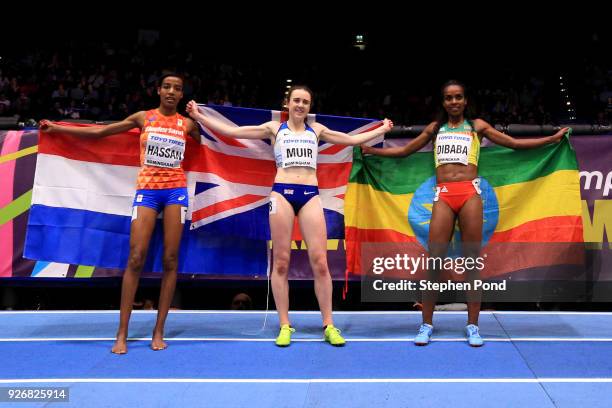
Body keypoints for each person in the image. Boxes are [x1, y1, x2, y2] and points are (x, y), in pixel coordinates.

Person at [362, 80, 569, 347]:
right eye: (449, 98)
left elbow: (513, 144)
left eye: (458, 97)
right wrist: (370, 150)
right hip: (443, 195)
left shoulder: (478, 127)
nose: (454, 102)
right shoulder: (435, 129)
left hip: (470, 194)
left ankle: (472, 326)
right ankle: (426, 324)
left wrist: (551, 139)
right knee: (434, 263)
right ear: (443, 102)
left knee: (471, 264)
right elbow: (403, 151)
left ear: (465, 100)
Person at [187, 85, 393, 346]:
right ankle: (285, 325)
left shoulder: (317, 131)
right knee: (281, 262)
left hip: (310, 195)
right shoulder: (274, 129)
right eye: (296, 100)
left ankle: (329, 324)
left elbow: (350, 140)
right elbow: (232, 131)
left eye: (305, 102)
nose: (300, 105)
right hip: (281, 195)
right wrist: (200, 116)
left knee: (320, 261)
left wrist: (381, 129)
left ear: (309, 106)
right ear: (288, 103)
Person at [39, 74, 201, 354]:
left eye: (177, 89)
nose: (172, 92)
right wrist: (58, 128)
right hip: (147, 192)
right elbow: (101, 132)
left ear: (182, 94)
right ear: (158, 90)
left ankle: (159, 330)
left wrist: (200, 116)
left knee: (171, 259)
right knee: (136, 257)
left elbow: (214, 142)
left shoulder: (187, 124)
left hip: (176, 192)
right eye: (167, 87)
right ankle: (122, 332)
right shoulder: (143, 118)